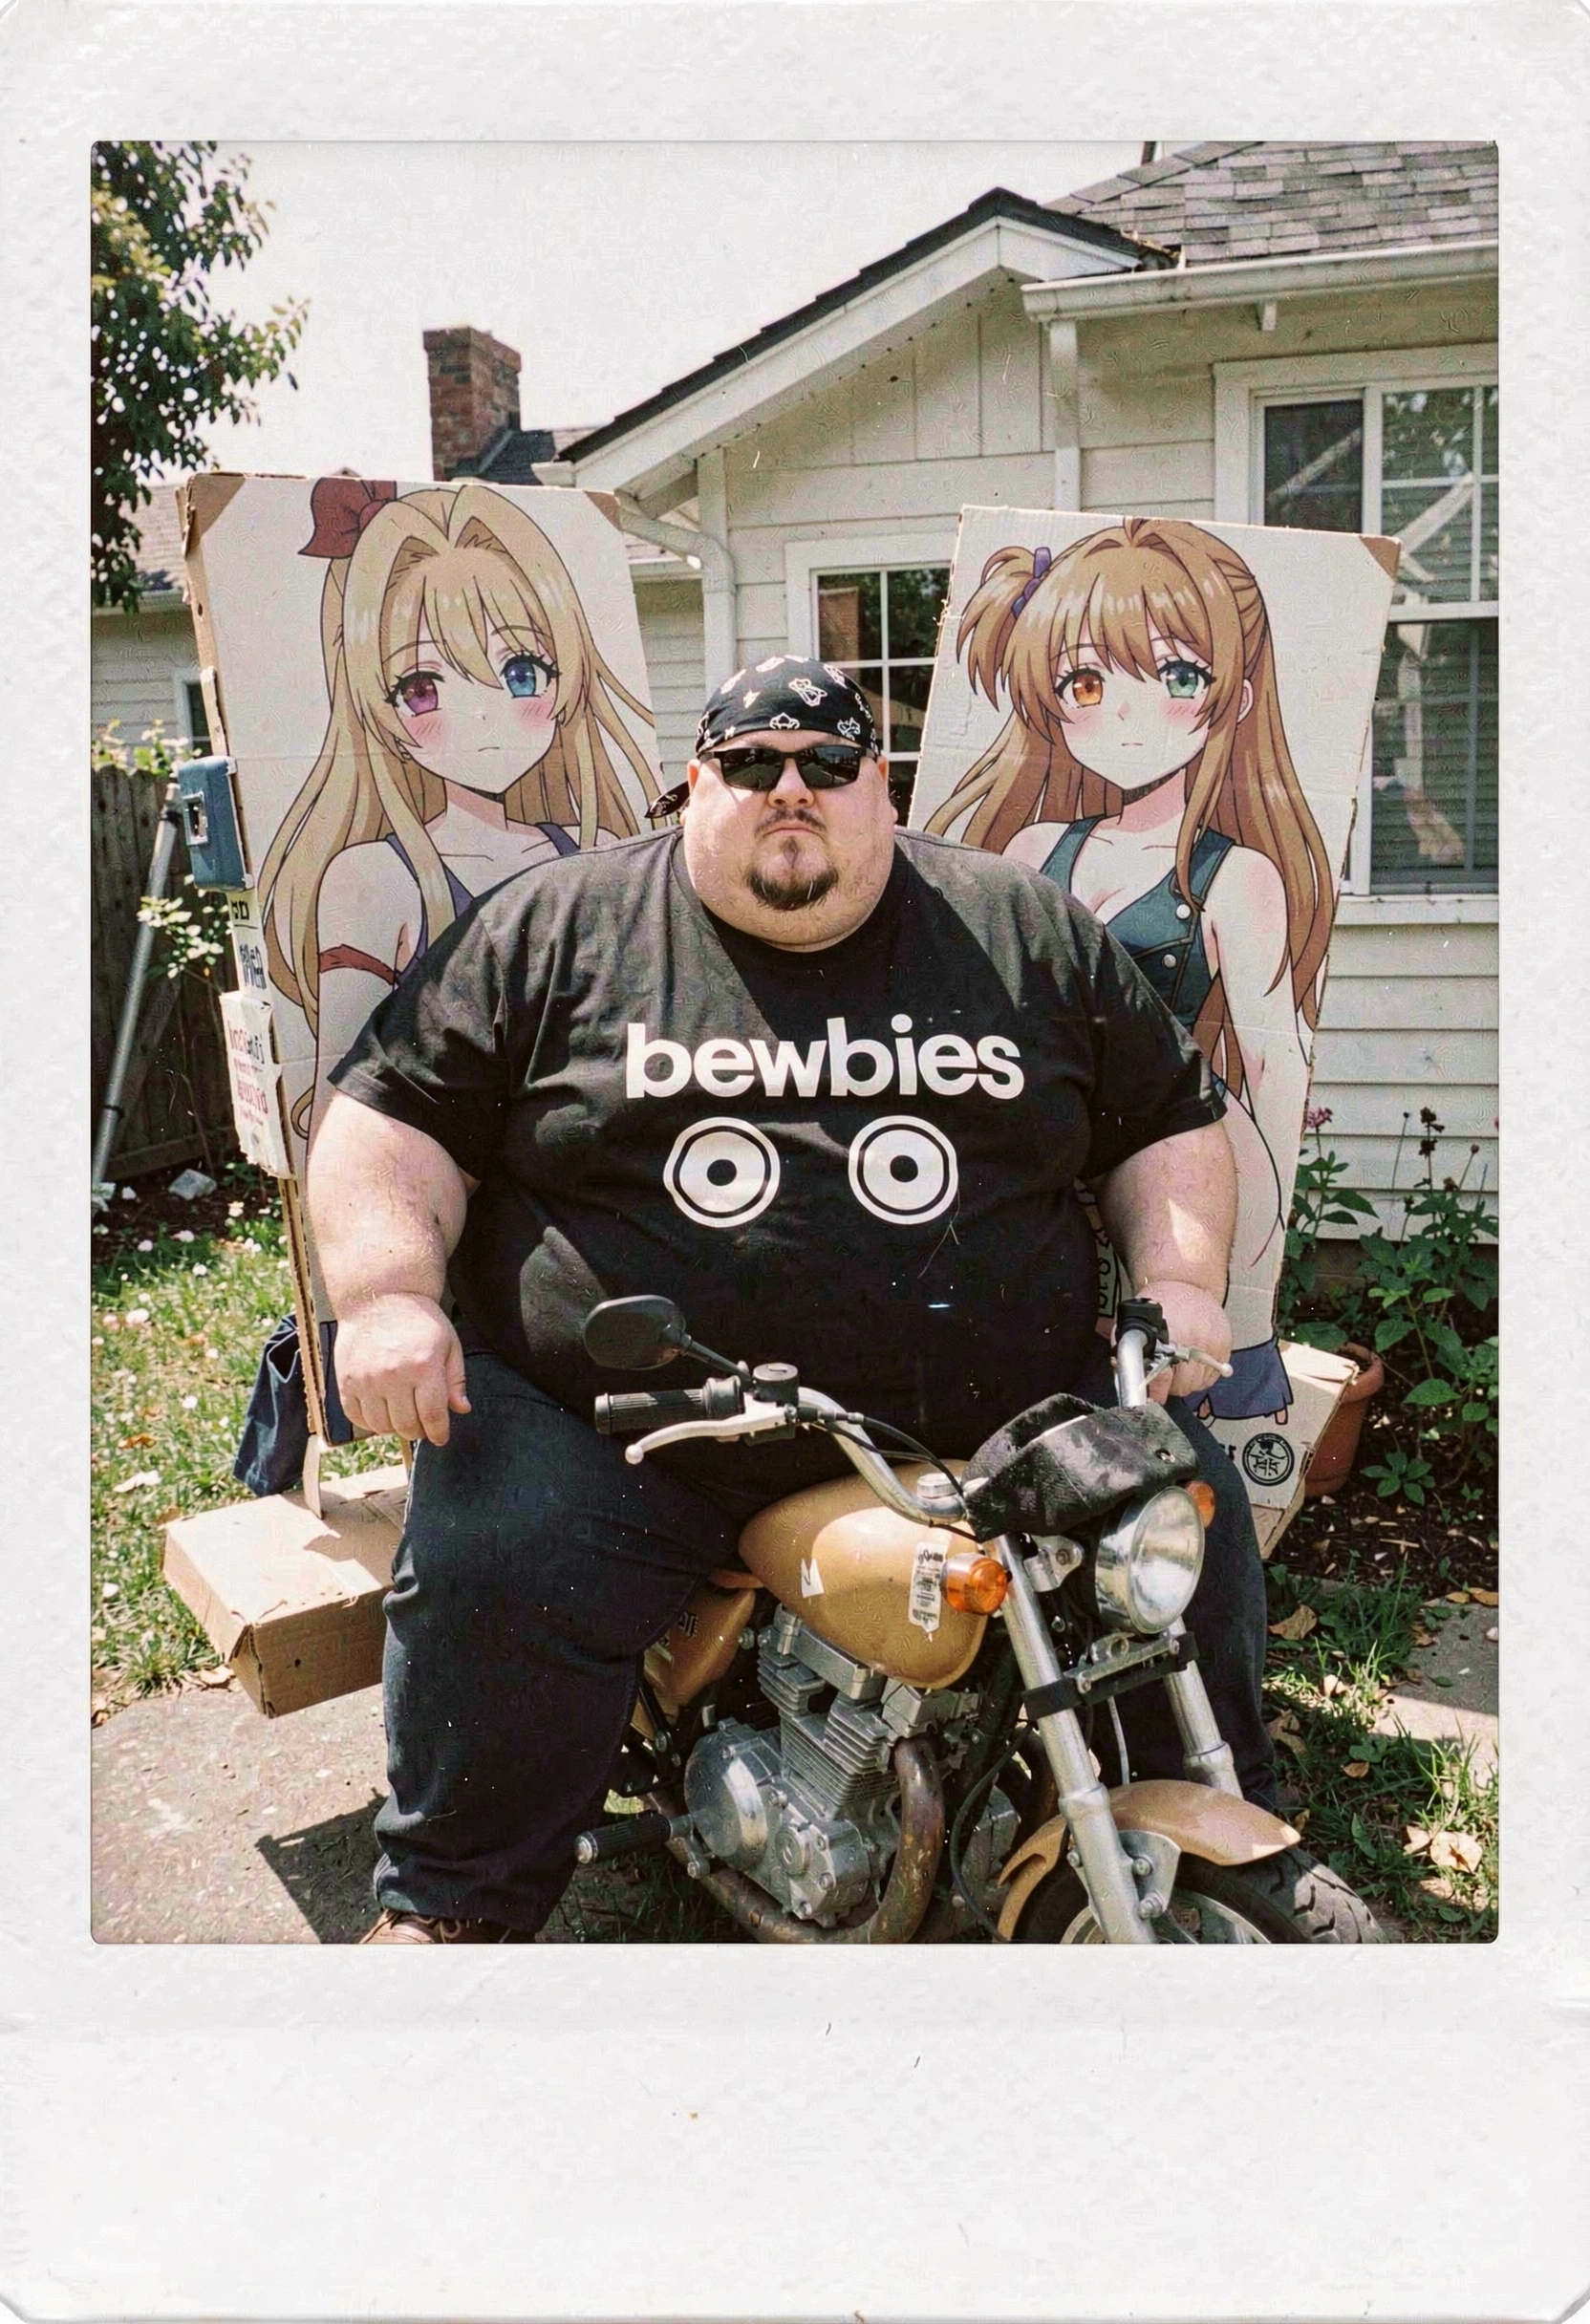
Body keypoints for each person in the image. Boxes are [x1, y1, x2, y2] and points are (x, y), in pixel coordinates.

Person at [307, 652, 1276, 1945]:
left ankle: (1208, 1826)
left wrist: (1180, 1281)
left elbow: (1166, 1121)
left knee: (1173, 1509)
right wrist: (386, 1296)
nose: (790, 789)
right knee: (502, 1559)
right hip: (632, 1425)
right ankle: (450, 1909)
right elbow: (389, 1122)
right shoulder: (553, 928)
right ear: (693, 784)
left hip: (982, 1414)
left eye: (828, 763)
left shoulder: (1018, 926)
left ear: (883, 787)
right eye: (750, 765)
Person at [925, 519, 1335, 1420]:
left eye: (1179, 676)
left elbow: (1271, 1064)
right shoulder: (1035, 850)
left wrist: (1254, 1247)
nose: (1125, 714)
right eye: (1086, 683)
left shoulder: (1234, 876)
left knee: (1174, 1389)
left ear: (1233, 697)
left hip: (1185, 1157)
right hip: (1045, 1141)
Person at [259, 476, 659, 1142]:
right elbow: (342, 1112)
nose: (482, 714)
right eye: (422, 687)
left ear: (567, 679)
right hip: (444, 1182)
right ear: (380, 714)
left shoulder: (596, 852)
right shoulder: (374, 879)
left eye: (520, 672)